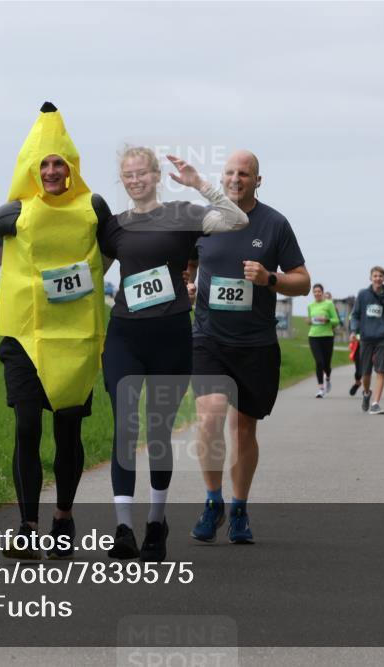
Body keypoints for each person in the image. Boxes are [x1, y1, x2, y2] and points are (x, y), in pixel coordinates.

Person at [0, 102, 110, 560]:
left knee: (68, 433)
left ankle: (63, 517)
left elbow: (120, 244)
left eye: (59, 163)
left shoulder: (93, 207)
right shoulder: (17, 210)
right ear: (32, 170)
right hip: (23, 338)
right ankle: (27, 526)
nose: (52, 171)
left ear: (71, 167)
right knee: (26, 428)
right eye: (44, 164)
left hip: (74, 340)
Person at [102, 147, 247, 562]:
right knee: (125, 428)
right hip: (124, 335)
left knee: (158, 430)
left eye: (142, 173)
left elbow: (237, 219)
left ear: (156, 175)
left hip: (170, 336)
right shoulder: (115, 226)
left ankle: (155, 523)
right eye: (128, 175)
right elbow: (94, 272)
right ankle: (124, 528)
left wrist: (199, 183)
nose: (135, 180)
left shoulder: (183, 214)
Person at [187, 150, 310, 544]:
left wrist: (269, 278)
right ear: (221, 178)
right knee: (209, 416)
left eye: (244, 173)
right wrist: (187, 284)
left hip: (255, 344)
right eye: (230, 172)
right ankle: (212, 501)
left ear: (258, 180)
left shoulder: (274, 224)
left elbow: (303, 281)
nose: (235, 179)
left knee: (243, 429)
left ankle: (239, 509)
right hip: (208, 337)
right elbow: (186, 264)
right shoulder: (204, 220)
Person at [350, 266, 384, 415]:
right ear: (371, 278)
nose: (378, 278)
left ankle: (375, 404)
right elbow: (355, 315)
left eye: (380, 276)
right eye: (375, 276)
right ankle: (366, 393)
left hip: (382, 338)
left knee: (381, 371)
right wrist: (353, 331)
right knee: (366, 372)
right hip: (366, 338)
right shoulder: (363, 295)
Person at [306, 283, 340, 397]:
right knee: (319, 362)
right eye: (315, 292)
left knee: (326, 364)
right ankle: (321, 388)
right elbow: (311, 320)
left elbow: (336, 321)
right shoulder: (310, 306)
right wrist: (309, 321)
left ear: (322, 292)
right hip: (313, 336)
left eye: (319, 291)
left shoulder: (329, 304)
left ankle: (328, 378)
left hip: (327, 336)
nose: (317, 293)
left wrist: (327, 320)